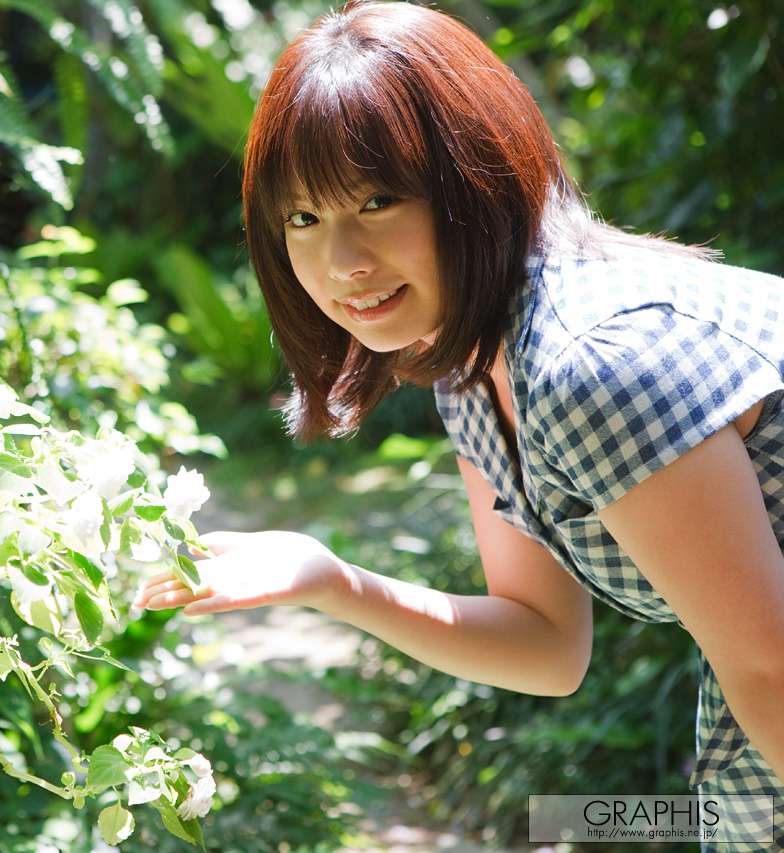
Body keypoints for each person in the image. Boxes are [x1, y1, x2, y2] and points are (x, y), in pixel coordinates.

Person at [130, 2, 784, 849]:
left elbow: (770, 665)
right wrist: (333, 581)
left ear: (477, 179)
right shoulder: (471, 368)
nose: (343, 263)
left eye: (377, 200)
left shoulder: (590, 360)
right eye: (304, 218)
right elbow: (546, 642)